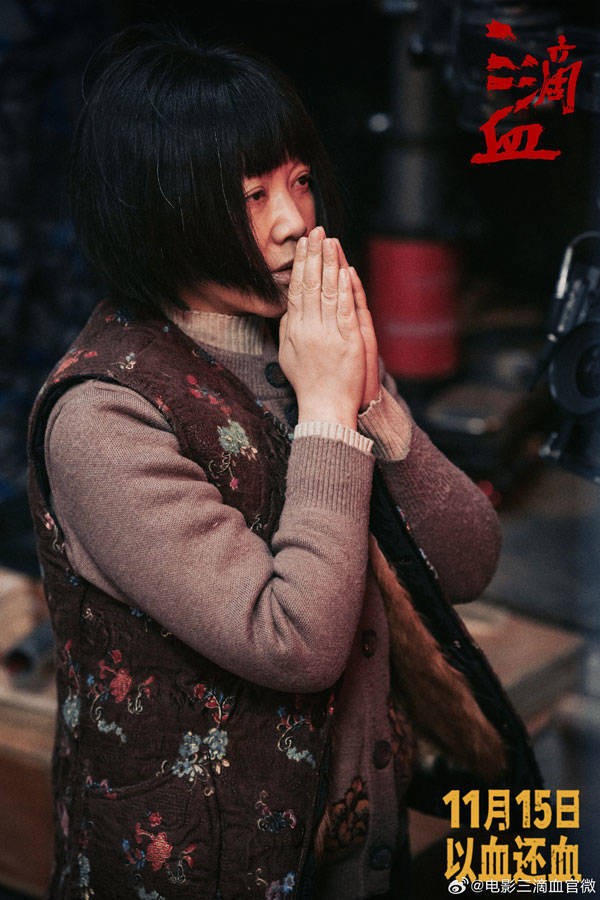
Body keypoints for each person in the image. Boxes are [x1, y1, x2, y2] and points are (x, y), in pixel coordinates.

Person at [27, 24, 536, 900]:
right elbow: (293, 642)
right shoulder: (104, 415)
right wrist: (329, 410)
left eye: (299, 180)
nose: (297, 221)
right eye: (253, 195)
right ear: (162, 213)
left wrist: (369, 398)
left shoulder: (305, 340)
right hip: (206, 869)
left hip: (351, 848)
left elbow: (468, 564)